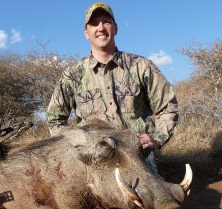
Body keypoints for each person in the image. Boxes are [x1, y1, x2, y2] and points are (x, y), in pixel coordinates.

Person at [46, 2, 178, 174]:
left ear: (115, 28)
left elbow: (168, 107)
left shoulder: (142, 66)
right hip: (94, 162)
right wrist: (76, 146)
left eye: (106, 22)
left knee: (159, 199)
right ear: (86, 33)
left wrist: (157, 138)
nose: (100, 27)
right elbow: (54, 119)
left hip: (138, 156)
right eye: (94, 24)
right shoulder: (72, 75)